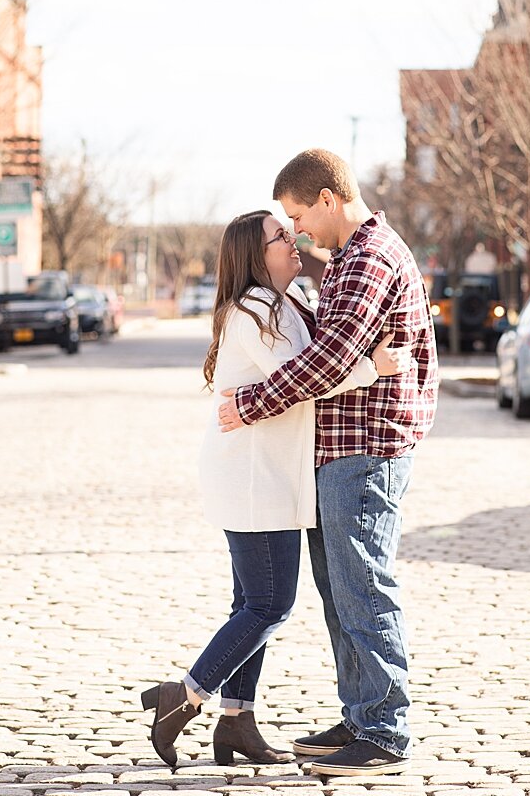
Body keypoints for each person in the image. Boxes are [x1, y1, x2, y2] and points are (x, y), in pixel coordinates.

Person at [140, 210, 408, 770]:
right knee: (269, 605)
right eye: (278, 236)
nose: (292, 240)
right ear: (253, 256)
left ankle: (237, 720)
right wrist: (372, 368)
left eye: (290, 231)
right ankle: (182, 696)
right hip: (254, 477)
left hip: (266, 474)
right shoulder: (256, 310)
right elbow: (304, 377)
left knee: (251, 602)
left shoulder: (285, 304)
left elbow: (306, 365)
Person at [217, 149, 438, 778]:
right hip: (340, 450)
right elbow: (326, 341)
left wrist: (252, 403)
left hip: (367, 449)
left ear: (325, 197)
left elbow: (331, 358)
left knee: (364, 584)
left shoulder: (371, 257)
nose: (299, 231)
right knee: (340, 589)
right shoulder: (347, 259)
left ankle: (384, 729)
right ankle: (361, 712)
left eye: (297, 215)